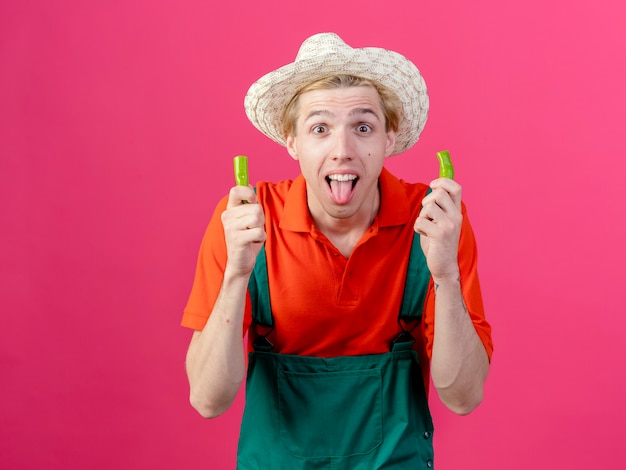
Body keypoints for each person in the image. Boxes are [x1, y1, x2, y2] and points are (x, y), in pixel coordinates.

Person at [182, 32, 493, 469]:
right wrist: (236, 274)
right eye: (320, 129)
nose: (342, 151)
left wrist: (444, 273)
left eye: (363, 127)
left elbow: (463, 396)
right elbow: (208, 399)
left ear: (389, 137)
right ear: (292, 141)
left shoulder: (434, 222)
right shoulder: (247, 220)